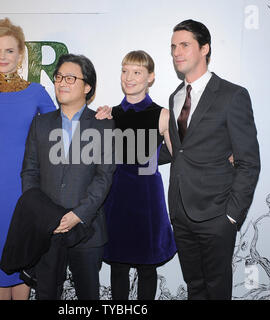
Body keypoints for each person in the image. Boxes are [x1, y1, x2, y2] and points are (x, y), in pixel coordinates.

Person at [167, 19, 260, 299]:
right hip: (181, 213)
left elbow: (249, 162)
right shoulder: (175, 97)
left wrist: (231, 215)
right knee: (195, 288)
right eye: (173, 47)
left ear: (204, 48)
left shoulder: (232, 95)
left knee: (217, 291)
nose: (176, 52)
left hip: (217, 214)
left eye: (184, 45)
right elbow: (178, 150)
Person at [0, 18, 56, 300]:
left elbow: (61, 129)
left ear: (20, 55)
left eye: (9, 51)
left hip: (28, 190)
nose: (3, 57)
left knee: (24, 260)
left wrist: (100, 114)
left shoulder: (36, 92)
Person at [20, 53, 116, 300]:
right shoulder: (40, 124)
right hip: (47, 229)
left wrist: (78, 215)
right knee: (46, 293)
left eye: (70, 78)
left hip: (87, 229)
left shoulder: (103, 125)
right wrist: (43, 214)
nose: (62, 82)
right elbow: (30, 171)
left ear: (87, 87)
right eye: (59, 77)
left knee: (87, 297)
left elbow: (104, 177)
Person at [95, 50, 177, 300]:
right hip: (116, 196)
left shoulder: (162, 115)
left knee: (147, 266)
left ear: (150, 77)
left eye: (137, 72)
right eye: (124, 71)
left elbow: (178, 155)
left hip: (147, 199)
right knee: (118, 266)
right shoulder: (109, 115)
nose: (129, 77)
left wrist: (147, 161)